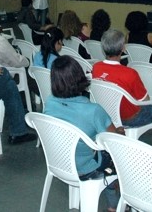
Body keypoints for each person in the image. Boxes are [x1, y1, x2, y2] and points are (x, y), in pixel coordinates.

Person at [44, 55, 122, 211]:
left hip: (59, 162)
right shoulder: (93, 110)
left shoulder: (49, 103)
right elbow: (113, 141)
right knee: (116, 157)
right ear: (79, 77)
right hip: (86, 168)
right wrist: (120, 131)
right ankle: (114, 204)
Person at [92, 29, 152, 129]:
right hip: (130, 118)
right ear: (123, 48)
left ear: (103, 47)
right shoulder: (130, 73)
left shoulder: (96, 67)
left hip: (106, 114)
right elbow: (145, 100)